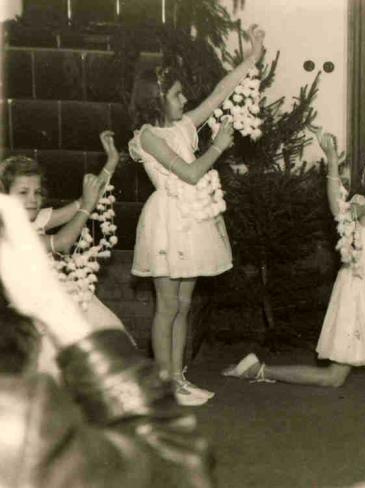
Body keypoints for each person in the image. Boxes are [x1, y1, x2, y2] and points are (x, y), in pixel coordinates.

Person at [0, 192, 213, 488]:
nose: (31, 198)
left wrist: (90, 194)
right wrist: (59, 312)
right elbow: (178, 467)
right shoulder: (21, 421)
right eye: (23, 191)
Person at [128, 25, 265, 406]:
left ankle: (178, 377)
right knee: (168, 305)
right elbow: (189, 174)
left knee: (185, 305)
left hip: (193, 218)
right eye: (176, 94)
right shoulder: (148, 136)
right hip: (168, 221)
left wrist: (252, 57)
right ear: (157, 100)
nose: (185, 98)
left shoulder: (184, 125)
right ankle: (164, 382)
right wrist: (218, 147)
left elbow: (220, 92)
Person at [223, 135, 365, 387]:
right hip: (362, 289)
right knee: (333, 378)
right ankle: (258, 370)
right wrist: (332, 159)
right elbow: (338, 209)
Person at [0, 130, 132, 380]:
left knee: (104, 346)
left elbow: (85, 200)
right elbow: (62, 242)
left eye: (37, 192)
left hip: (65, 298)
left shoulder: (37, 219)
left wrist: (110, 163)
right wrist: (87, 206)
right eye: (23, 192)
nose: (33, 199)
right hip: (35, 317)